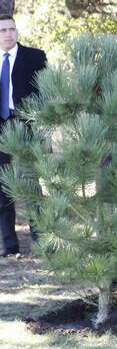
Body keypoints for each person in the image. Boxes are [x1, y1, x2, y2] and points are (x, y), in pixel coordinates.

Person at [0, 14, 47, 257]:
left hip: (25, 126)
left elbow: (45, 92)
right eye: (3, 30)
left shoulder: (35, 57)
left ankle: (41, 241)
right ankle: (8, 244)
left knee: (29, 184)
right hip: (0, 128)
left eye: (11, 29)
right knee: (1, 187)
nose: (8, 34)